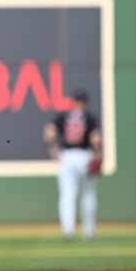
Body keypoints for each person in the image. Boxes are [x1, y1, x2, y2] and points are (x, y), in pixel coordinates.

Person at [42, 90, 102, 242]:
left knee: (67, 195)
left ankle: (68, 230)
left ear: (73, 102)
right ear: (85, 103)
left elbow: (49, 133)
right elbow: (96, 139)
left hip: (67, 156)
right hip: (85, 156)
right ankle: (89, 232)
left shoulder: (63, 116)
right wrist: (98, 154)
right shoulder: (89, 117)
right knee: (88, 195)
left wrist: (53, 151)